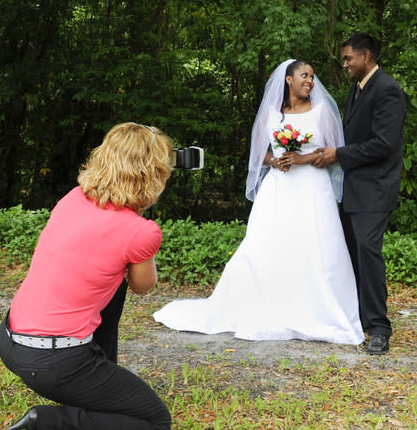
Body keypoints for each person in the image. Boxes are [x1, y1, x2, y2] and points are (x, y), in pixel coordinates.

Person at [153, 59, 364, 345]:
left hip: (313, 190)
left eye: (312, 77)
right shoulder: (270, 114)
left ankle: (316, 308)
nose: (310, 81)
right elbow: (259, 154)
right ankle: (266, 303)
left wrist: (302, 158)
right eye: (304, 75)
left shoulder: (322, 111)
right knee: (267, 245)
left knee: (315, 245)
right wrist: (275, 161)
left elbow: (334, 152)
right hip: (278, 188)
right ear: (288, 79)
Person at [0, 122, 173, 430]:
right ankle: (46, 427)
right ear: (153, 176)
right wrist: (143, 231)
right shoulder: (141, 231)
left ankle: (100, 376)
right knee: (155, 419)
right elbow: (144, 286)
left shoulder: (73, 198)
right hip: (55, 363)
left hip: (10, 343)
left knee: (110, 280)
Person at [314, 33, 406, 355]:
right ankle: (356, 318)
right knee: (350, 252)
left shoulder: (387, 90)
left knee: (368, 252)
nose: (345, 64)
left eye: (348, 58)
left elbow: (384, 144)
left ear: (366, 56)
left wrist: (338, 154)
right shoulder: (357, 89)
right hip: (353, 188)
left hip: (377, 188)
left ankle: (380, 328)